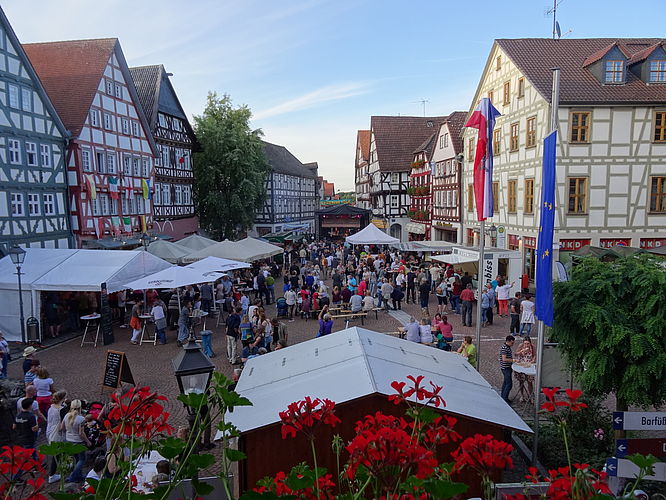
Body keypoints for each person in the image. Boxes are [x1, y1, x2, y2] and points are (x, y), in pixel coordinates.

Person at [60, 399, 91, 483]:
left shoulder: (67, 415)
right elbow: (81, 433)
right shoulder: (81, 419)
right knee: (82, 460)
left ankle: (78, 476)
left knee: (76, 459)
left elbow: (62, 428)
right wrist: (88, 441)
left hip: (68, 439)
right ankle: (73, 476)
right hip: (78, 441)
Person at [46, 390, 67, 483]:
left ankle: (54, 473)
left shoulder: (51, 407)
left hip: (50, 430)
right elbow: (64, 423)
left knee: (57, 454)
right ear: (63, 398)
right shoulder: (62, 409)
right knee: (57, 455)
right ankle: (52, 475)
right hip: (58, 433)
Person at [515, 337, 536, 402]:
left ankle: (531, 396)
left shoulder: (532, 347)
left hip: (529, 366)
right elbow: (515, 354)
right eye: (525, 343)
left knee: (530, 382)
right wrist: (521, 351)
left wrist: (533, 360)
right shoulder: (521, 346)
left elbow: (534, 355)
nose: (526, 345)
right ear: (523, 343)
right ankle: (522, 396)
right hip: (521, 365)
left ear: (530, 343)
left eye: (528, 343)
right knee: (521, 381)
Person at [499, 335, 516, 403]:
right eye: (512, 343)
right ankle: (504, 398)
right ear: (508, 341)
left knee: (505, 382)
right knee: (509, 384)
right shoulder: (504, 348)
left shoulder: (507, 347)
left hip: (507, 367)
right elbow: (504, 359)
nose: (512, 344)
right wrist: (513, 360)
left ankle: (503, 396)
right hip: (505, 368)